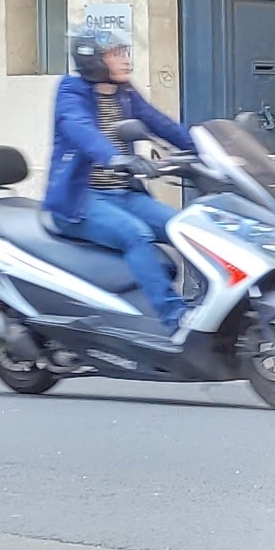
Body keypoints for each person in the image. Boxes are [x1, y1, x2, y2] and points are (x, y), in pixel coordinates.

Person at [41, 32, 198, 329]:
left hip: (124, 195)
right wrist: (115, 157)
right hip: (81, 199)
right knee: (135, 234)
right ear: (93, 60)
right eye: (116, 54)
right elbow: (80, 129)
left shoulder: (124, 92)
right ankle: (175, 318)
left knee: (188, 228)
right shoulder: (71, 91)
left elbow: (161, 123)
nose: (126, 60)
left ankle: (211, 308)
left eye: (125, 52)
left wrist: (207, 150)